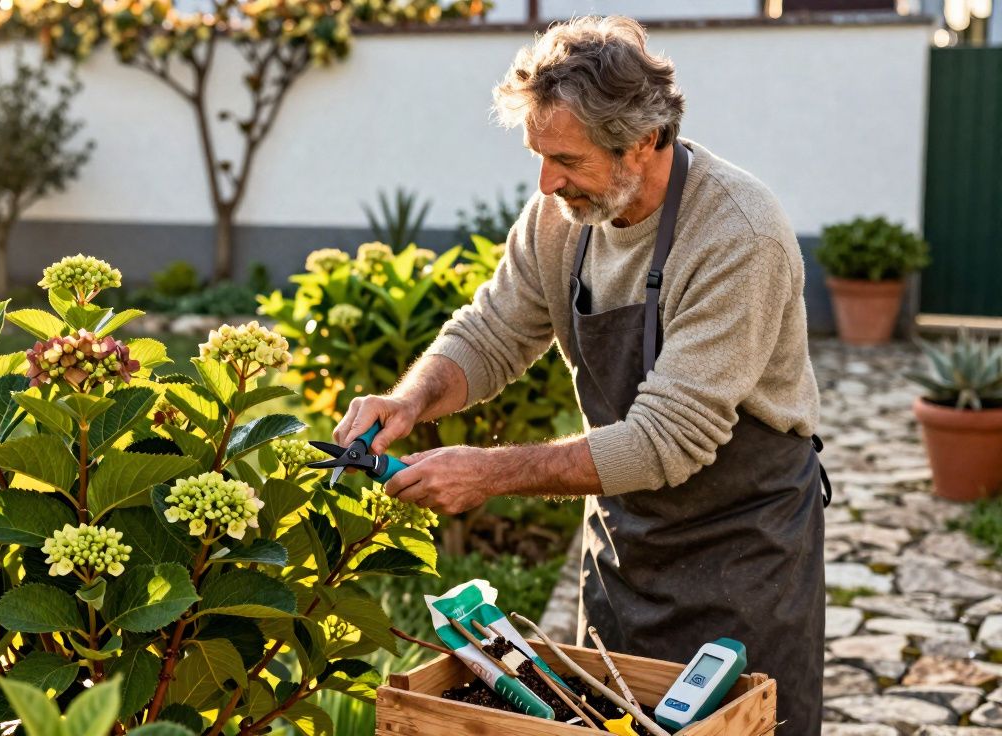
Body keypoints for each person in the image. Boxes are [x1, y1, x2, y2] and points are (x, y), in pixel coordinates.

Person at [334, 16, 827, 735]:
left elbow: (667, 440)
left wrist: (489, 473)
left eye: (566, 158)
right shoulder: (560, 215)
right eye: (539, 154)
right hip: (626, 541)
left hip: (741, 546)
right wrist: (412, 399)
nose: (545, 181)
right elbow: (493, 332)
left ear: (645, 141)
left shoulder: (737, 234)